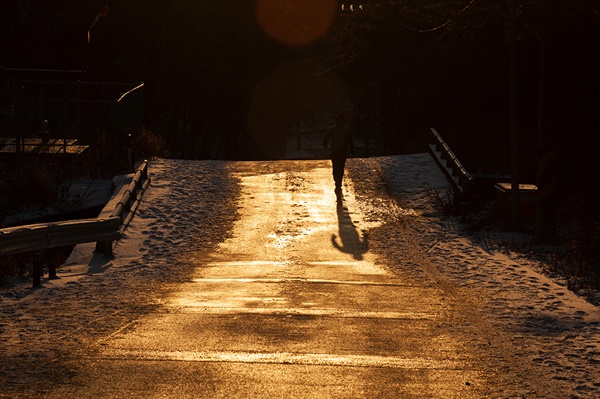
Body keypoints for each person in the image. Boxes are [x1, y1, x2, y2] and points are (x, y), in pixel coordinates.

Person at [323, 114, 355, 199]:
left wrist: (325, 145)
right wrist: (352, 150)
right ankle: (339, 182)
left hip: (335, 152)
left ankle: (337, 181)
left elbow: (326, 138)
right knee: (341, 167)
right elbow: (350, 141)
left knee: (335, 167)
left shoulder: (333, 130)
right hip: (342, 152)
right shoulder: (346, 131)